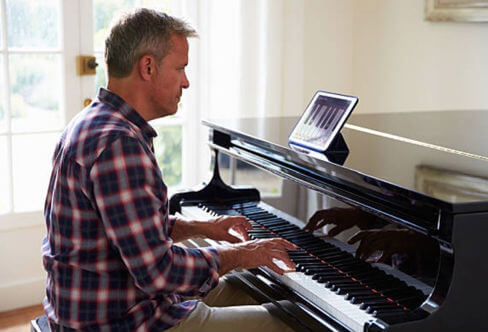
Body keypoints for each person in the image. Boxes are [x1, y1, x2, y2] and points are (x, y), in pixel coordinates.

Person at [42, 9, 295, 332]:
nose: (186, 82)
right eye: (181, 68)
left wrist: (204, 227)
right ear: (148, 67)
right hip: (120, 322)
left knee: (255, 292)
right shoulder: (119, 143)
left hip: (103, 305)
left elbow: (132, 229)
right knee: (292, 324)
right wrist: (243, 254)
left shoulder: (96, 121)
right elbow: (158, 273)